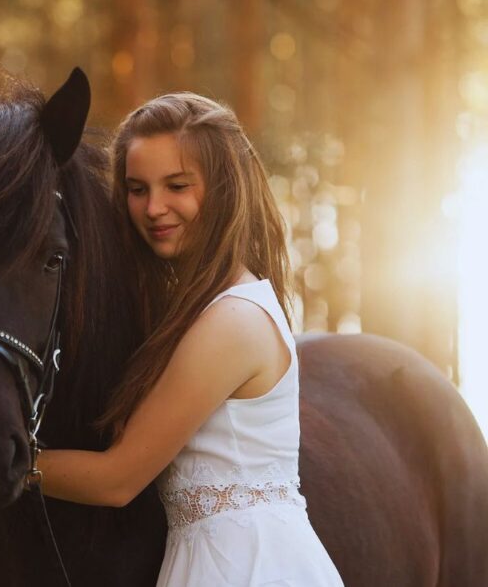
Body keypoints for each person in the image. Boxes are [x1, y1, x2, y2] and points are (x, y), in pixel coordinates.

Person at [33, 93, 345, 586]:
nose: (154, 208)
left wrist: (7, 464)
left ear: (221, 190)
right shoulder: (202, 310)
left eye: (177, 186)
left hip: (248, 567)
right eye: (137, 189)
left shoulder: (233, 321)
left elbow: (117, 479)